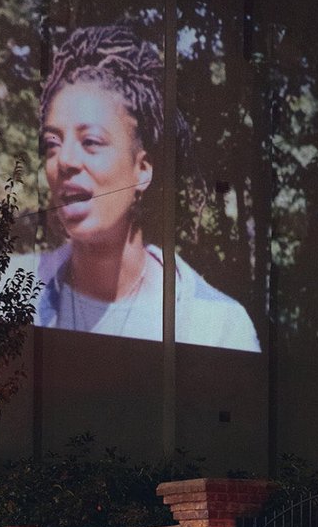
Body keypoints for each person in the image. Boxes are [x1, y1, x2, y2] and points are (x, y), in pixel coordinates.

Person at [14, 24, 260, 351]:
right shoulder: (5, 295)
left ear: (142, 170)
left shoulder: (215, 328)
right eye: (52, 143)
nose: (65, 160)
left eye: (91, 142)